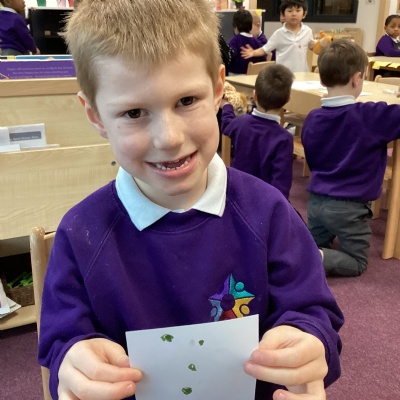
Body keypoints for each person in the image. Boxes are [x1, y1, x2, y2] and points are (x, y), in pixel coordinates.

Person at [38, 1, 344, 399]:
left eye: (186, 101)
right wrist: (75, 362)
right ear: (95, 116)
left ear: (218, 90)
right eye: (134, 112)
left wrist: (308, 340)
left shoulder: (270, 214)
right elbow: (62, 343)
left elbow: (314, 315)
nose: (169, 138)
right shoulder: (80, 234)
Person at [302, 39, 400, 277]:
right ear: (357, 79)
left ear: (322, 79)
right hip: (350, 208)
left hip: (316, 202)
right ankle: (317, 257)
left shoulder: (312, 118)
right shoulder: (369, 115)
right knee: (357, 262)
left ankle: (308, 254)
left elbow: (311, 158)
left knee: (313, 242)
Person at [220, 63, 294, 199]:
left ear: (254, 96)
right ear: (287, 100)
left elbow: (226, 124)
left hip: (238, 193)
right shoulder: (284, 138)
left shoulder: (241, 123)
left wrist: (226, 106)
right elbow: (281, 183)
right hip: (265, 199)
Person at [241, 0, 327, 73]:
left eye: (298, 11)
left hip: (302, 74)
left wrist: (323, 44)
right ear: (283, 15)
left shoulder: (307, 31)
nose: (294, 14)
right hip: (283, 75)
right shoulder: (279, 34)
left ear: (304, 14)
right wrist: (253, 53)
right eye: (290, 11)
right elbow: (265, 49)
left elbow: (313, 46)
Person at [228, 9, 266, 75]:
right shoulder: (257, 42)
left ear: (236, 27)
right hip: (253, 76)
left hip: (235, 75)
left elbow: (229, 55)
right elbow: (263, 58)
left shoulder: (235, 40)